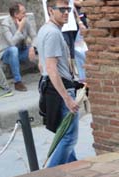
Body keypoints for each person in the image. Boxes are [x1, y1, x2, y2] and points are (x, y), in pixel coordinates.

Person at [35, 2, 81, 167]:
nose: (66, 13)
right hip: (60, 88)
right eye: (61, 10)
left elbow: (40, 63)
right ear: (50, 10)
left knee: (64, 135)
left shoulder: (44, 30)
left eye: (67, 9)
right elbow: (51, 68)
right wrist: (67, 98)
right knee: (69, 137)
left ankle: (74, 169)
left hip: (53, 86)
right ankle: (51, 172)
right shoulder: (53, 33)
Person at [0, 2, 36, 92]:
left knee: (41, 46)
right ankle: (18, 81)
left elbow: (35, 36)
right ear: (16, 14)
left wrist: (32, 47)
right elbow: (12, 43)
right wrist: (20, 28)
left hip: (21, 51)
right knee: (13, 50)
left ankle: (48, 75)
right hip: (7, 54)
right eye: (23, 13)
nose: (25, 14)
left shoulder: (25, 20)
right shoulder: (5, 24)